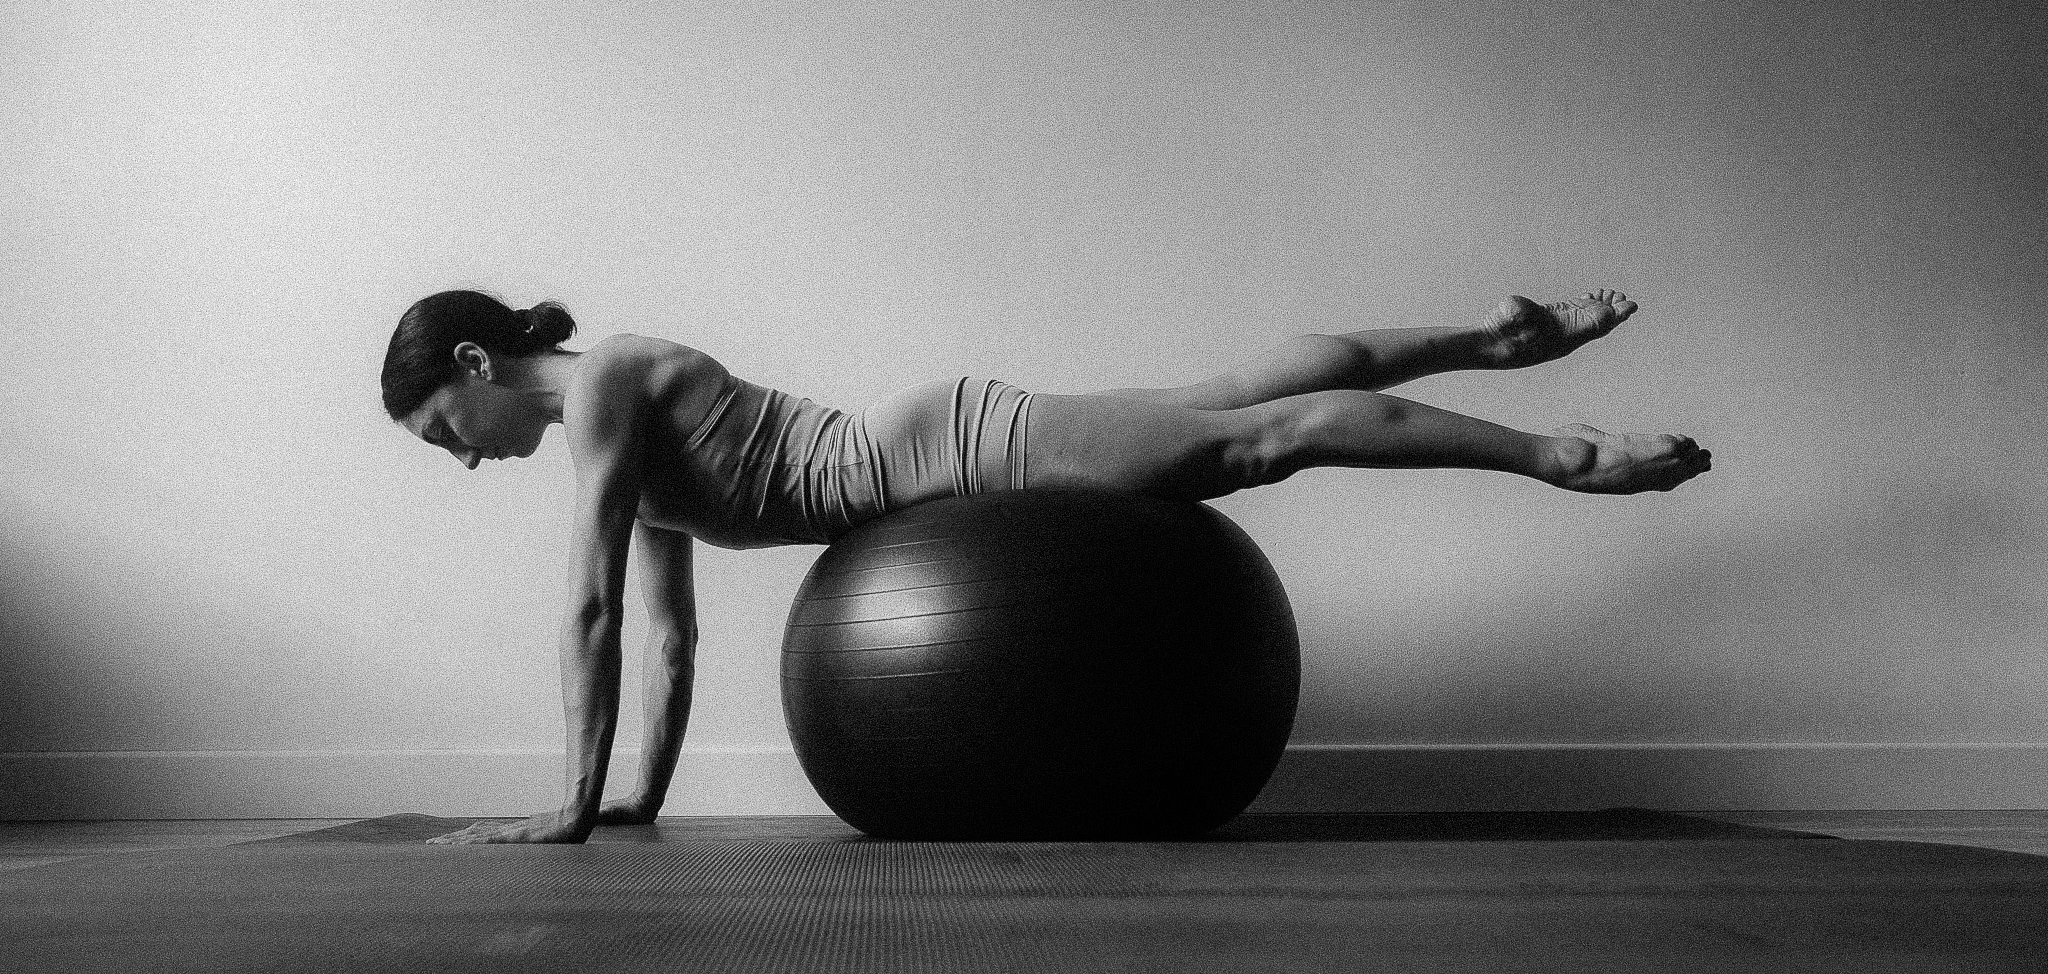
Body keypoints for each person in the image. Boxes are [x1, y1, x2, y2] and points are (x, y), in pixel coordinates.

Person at [381, 288, 1709, 844]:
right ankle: (1494, 334)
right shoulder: (615, 430)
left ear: (475, 365)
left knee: (1262, 441)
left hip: (947, 451)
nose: (461, 458)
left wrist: (566, 804)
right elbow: (666, 636)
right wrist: (629, 800)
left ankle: (1560, 454)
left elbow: (591, 604)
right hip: (935, 447)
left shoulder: (604, 388)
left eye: (445, 430)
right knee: (1234, 396)